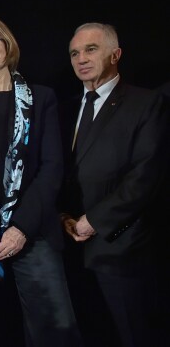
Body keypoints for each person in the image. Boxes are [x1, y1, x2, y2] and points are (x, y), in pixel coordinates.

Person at [0, 15, 81, 347]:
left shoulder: (42, 98)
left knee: (54, 331)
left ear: (8, 44)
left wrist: (21, 228)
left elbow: (51, 169)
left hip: (32, 232)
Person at [59, 22, 169, 347]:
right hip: (67, 249)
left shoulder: (147, 104)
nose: (81, 58)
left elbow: (145, 176)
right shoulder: (63, 109)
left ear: (115, 54)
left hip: (120, 250)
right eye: (74, 53)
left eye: (91, 49)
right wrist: (60, 217)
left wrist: (92, 222)